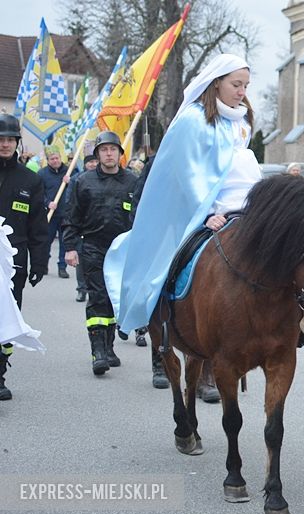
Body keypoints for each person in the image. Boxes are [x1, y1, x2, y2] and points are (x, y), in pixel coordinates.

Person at [104, 54, 261, 398]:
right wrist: (208, 214)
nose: (242, 92)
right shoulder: (192, 121)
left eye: (246, 85)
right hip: (200, 208)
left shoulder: (242, 122)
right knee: (182, 263)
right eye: (236, 84)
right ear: (216, 82)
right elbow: (188, 174)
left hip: (244, 206)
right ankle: (162, 318)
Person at [63, 131, 136, 376]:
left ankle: (109, 346)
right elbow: (71, 217)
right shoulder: (83, 181)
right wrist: (70, 248)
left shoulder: (132, 182)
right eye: (103, 149)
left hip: (124, 250)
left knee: (116, 299)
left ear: (119, 153)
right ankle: (98, 352)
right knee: (98, 298)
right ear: (97, 154)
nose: (108, 153)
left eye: (112, 149)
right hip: (93, 247)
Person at [0, 113, 48, 400]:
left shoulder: (30, 180)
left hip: (13, 263)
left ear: (17, 143)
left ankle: (0, 373)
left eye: (9, 140)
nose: (4, 144)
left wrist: (39, 262)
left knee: (6, 317)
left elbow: (38, 225)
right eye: (1, 139)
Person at [39, 148, 72, 278]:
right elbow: (39, 194)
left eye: (57, 158)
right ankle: (43, 264)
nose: (55, 161)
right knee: (46, 241)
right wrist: (47, 203)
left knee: (64, 243)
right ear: (48, 161)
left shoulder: (69, 172)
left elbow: (78, 188)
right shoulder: (42, 174)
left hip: (66, 214)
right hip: (50, 214)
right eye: (52, 159)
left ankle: (62, 267)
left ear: (60, 158)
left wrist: (70, 182)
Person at [71, 154, 98, 302]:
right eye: (90, 162)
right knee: (81, 262)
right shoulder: (78, 180)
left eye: (95, 161)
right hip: (83, 228)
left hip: (99, 228)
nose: (93, 164)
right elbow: (72, 205)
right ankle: (81, 289)